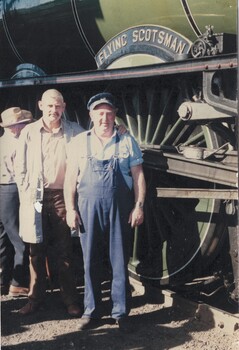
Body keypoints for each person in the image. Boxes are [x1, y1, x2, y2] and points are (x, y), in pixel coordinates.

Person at [64, 92, 146, 331]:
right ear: (91, 115)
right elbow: (70, 179)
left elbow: (138, 176)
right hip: (88, 208)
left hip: (119, 209)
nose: (104, 118)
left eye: (109, 113)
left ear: (115, 115)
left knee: (119, 260)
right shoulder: (80, 142)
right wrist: (70, 209)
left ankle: (120, 312)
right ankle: (92, 311)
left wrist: (139, 205)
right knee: (90, 261)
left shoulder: (127, 141)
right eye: (100, 113)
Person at [15, 89, 84, 316]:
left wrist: (120, 129)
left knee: (65, 250)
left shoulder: (74, 131)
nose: (54, 111)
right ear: (40, 106)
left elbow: (95, 140)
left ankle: (70, 300)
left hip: (63, 197)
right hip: (36, 197)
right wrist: (26, 191)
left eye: (58, 106)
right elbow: (20, 165)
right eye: (49, 106)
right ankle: (35, 300)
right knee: (36, 250)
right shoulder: (29, 132)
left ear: (63, 107)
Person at [0, 107, 33, 296]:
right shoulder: (16, 144)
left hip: (4, 191)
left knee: (4, 238)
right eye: (19, 124)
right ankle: (18, 283)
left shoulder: (3, 142)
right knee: (20, 239)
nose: (22, 127)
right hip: (12, 189)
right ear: (12, 127)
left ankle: (4, 281)